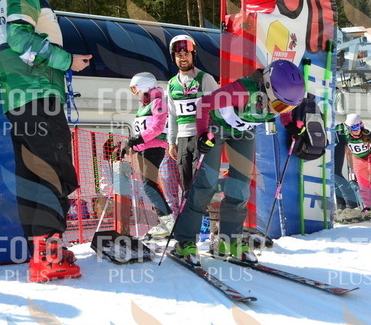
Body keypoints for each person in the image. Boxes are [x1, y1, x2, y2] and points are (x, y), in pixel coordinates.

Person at [0, 0, 92, 282]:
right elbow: (20, 38)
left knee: (32, 176)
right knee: (52, 172)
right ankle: (49, 256)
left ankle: (43, 254)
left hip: (19, 97)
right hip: (37, 93)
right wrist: (67, 61)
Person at [171, 59, 305, 265]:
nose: (279, 111)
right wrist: (203, 134)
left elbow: (286, 112)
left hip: (243, 132)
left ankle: (230, 239)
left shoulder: (281, 99)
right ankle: (185, 241)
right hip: (216, 126)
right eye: (279, 105)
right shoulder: (242, 91)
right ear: (267, 87)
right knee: (206, 184)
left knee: (240, 186)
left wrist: (290, 124)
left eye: (286, 107)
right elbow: (203, 104)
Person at [166, 35, 220, 238]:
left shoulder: (205, 79)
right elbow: (172, 115)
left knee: (205, 185)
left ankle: (215, 232)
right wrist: (171, 142)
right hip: (182, 140)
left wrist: (212, 135)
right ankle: (189, 235)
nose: (183, 58)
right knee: (187, 187)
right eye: (178, 54)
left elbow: (218, 108)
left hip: (202, 137)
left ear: (193, 55)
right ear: (174, 57)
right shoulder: (172, 84)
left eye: (186, 53)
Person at [124, 72, 175, 239]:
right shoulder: (145, 106)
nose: (135, 93)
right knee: (149, 186)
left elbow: (158, 127)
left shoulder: (158, 102)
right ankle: (165, 222)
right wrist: (133, 145)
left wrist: (138, 139)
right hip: (144, 149)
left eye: (135, 89)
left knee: (149, 186)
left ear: (144, 87)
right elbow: (142, 129)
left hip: (154, 148)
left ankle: (168, 222)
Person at [333, 87, 363, 222]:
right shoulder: (318, 93)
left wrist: (327, 114)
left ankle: (353, 205)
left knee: (335, 173)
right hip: (325, 136)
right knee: (331, 175)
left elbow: (342, 115)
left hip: (337, 134)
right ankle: (342, 207)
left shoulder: (336, 93)